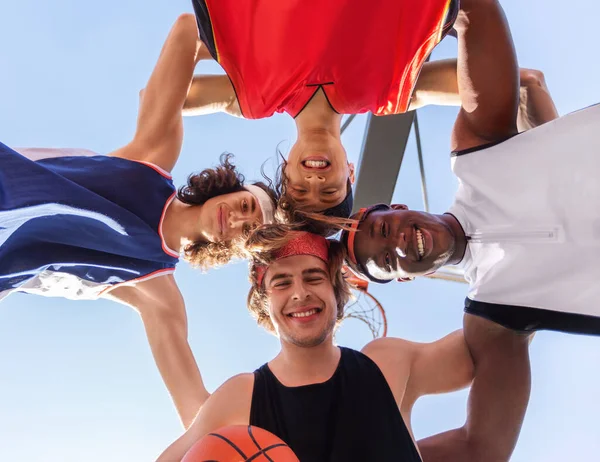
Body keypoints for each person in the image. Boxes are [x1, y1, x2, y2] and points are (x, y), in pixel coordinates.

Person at [0, 14, 276, 428]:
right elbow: (190, 27)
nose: (239, 217)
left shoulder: (157, 291)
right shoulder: (153, 157)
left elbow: (196, 413)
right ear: (229, 190)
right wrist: (273, 65)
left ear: (236, 250)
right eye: (247, 205)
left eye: (248, 229)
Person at [340, 0, 600, 336]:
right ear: (405, 277)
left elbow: (476, 9)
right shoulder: (495, 305)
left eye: (386, 230)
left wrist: (371, 91)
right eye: (388, 260)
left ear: (399, 208)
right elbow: (530, 82)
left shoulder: (475, 154)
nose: (400, 242)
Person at [157, 231, 531, 461]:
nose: (300, 293)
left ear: (336, 291)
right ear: (265, 303)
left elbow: (494, 340)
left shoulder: (388, 364)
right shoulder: (243, 395)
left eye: (313, 277)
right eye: (282, 283)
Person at [182, 0, 458, 216]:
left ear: (285, 168)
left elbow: (164, 101)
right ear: (350, 173)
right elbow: (483, 82)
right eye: (329, 192)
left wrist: (204, 43)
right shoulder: (391, 93)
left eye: (300, 189)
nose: (315, 179)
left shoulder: (252, 98)